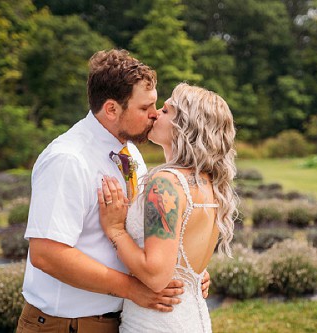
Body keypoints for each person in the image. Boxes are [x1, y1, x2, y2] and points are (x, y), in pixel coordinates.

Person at [17, 49, 209, 333]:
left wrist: (186, 270)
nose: (155, 115)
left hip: (120, 320)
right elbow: (46, 254)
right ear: (111, 109)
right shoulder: (68, 159)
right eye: (145, 108)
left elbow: (144, 232)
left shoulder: (130, 152)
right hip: (66, 325)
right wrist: (131, 289)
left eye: (155, 105)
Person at [98, 82, 238, 332]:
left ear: (184, 126)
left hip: (157, 320)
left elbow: (155, 276)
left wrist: (115, 229)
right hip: (192, 318)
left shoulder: (166, 183)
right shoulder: (209, 183)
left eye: (165, 110)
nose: (154, 114)